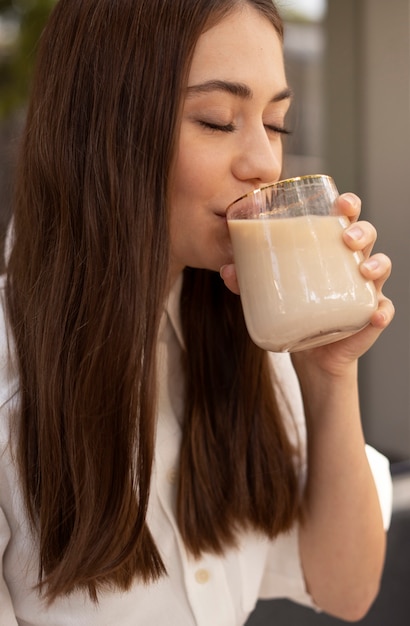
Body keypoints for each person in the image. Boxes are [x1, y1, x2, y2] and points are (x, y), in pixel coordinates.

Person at [0, 0, 395, 624]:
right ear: (100, 129)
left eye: (276, 124)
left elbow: (345, 591)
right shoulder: (11, 375)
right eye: (216, 120)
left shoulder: (244, 333)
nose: (264, 162)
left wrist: (329, 373)